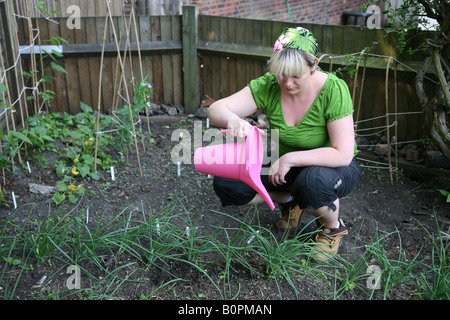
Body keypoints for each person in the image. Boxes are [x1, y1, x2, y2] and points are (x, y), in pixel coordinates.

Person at [206, 27, 361, 261]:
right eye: (281, 74)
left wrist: (290, 158)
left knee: (312, 184)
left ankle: (332, 227)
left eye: (296, 75)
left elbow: (342, 154)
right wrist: (234, 120)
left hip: (332, 167)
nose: (287, 83)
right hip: (285, 165)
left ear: (313, 66)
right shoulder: (269, 85)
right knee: (229, 181)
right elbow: (215, 109)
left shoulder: (333, 90)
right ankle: (289, 201)